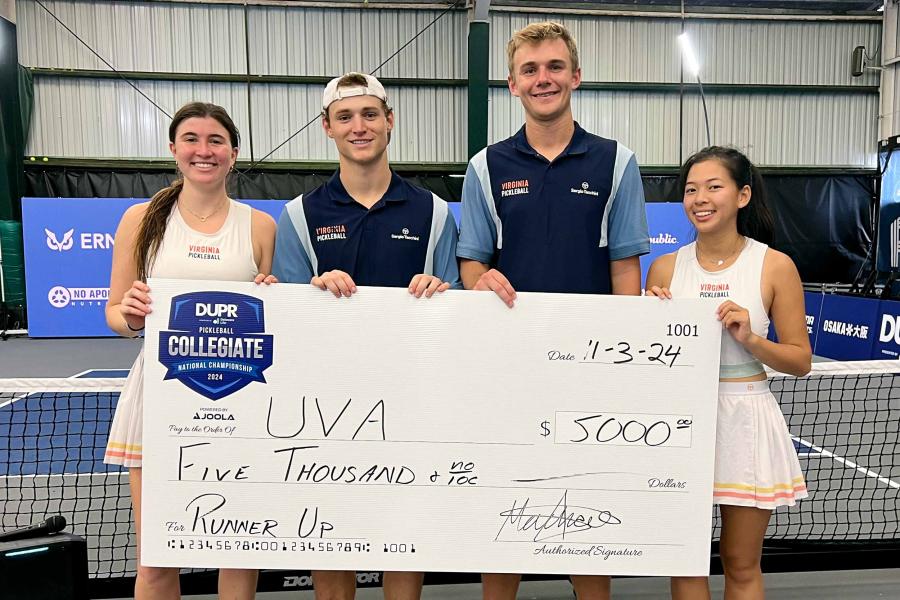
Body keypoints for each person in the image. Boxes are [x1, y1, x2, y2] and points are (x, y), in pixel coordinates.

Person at [456, 21, 649, 600]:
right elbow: (471, 265)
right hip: (506, 370)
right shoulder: (485, 166)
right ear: (512, 84)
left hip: (587, 373)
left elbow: (624, 271)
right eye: (531, 70)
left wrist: (625, 363)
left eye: (554, 67)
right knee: (506, 507)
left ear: (576, 76)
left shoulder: (616, 163)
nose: (544, 79)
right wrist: (481, 279)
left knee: (586, 508)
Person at [272, 72, 460, 600]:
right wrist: (312, 290)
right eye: (346, 117)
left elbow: (459, 304)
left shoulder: (436, 212)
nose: (360, 126)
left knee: (405, 532)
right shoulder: (298, 216)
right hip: (326, 407)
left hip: (412, 401)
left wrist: (440, 288)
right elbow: (286, 312)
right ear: (327, 127)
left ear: (390, 121)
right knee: (333, 532)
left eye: (370, 114)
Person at [103, 102, 277, 600]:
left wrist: (270, 293)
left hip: (242, 401)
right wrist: (131, 314)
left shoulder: (260, 226)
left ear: (234, 153)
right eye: (193, 139)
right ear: (174, 149)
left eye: (216, 140)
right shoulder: (141, 219)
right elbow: (116, 314)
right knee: (159, 556)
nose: (204, 150)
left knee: (239, 551)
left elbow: (275, 316)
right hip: (160, 401)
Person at [645, 146, 811, 599]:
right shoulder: (663, 268)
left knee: (740, 564)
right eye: (691, 189)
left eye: (713, 187)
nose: (699, 198)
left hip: (747, 422)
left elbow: (800, 361)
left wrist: (751, 339)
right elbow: (650, 361)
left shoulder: (775, 266)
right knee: (686, 562)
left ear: (742, 196)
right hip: (680, 424)